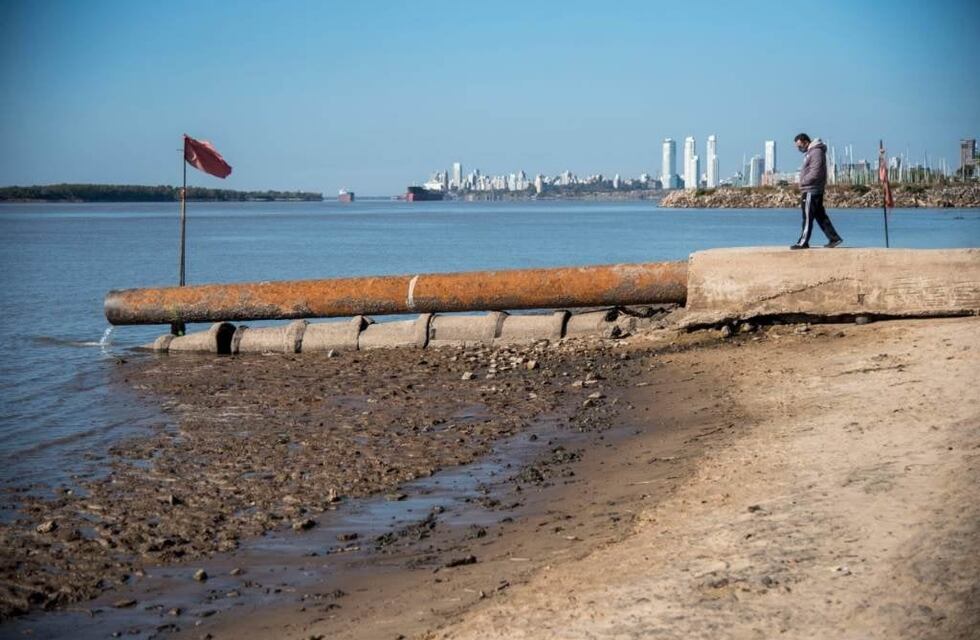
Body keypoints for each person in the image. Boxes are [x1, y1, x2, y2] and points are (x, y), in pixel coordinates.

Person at [792, 133, 843, 250]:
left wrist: (803, 181)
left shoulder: (815, 152)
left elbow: (816, 172)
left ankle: (803, 242)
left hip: (811, 189)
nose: (799, 149)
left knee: (807, 217)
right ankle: (834, 238)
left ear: (805, 142)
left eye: (800, 146)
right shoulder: (813, 152)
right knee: (820, 216)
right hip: (813, 189)